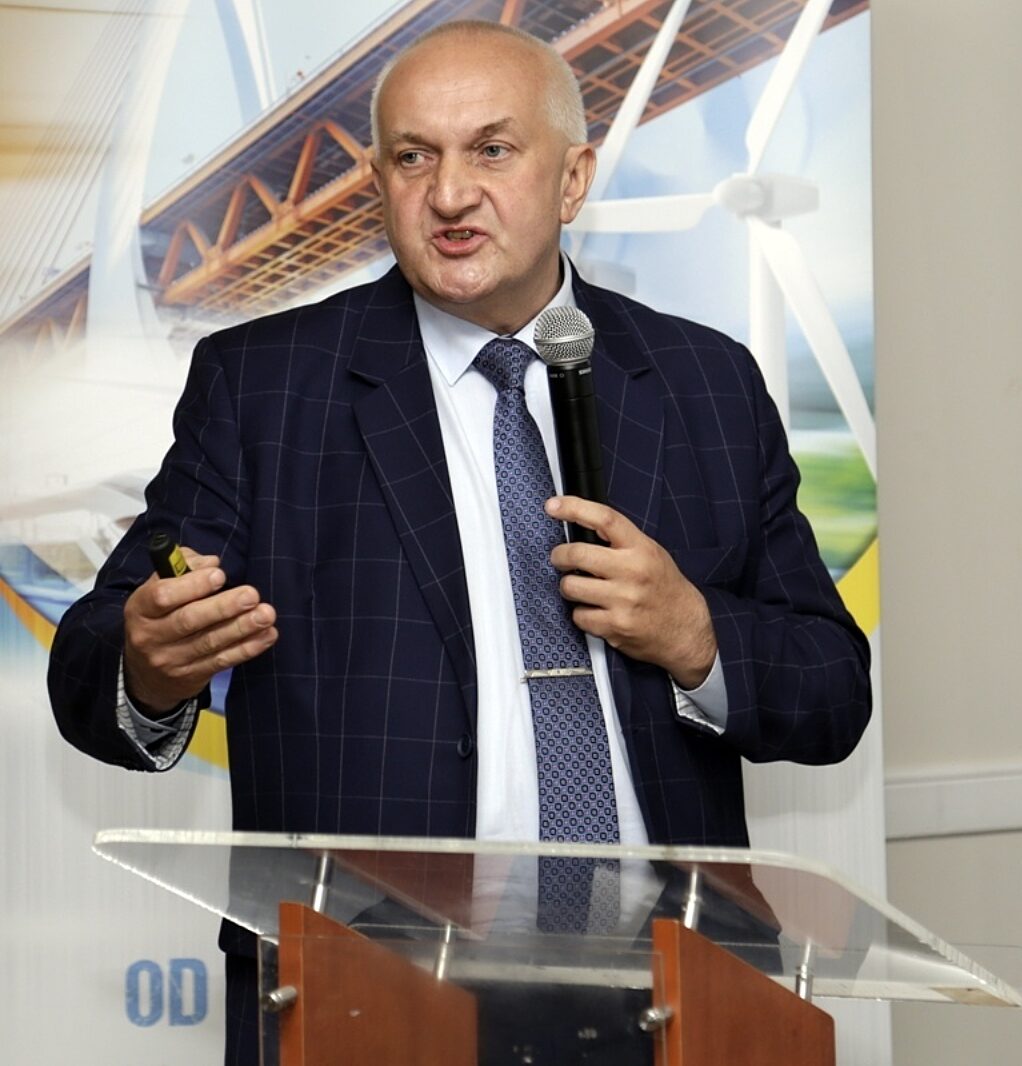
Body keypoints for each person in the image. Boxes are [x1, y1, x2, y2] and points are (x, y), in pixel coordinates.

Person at [47, 18, 870, 1063]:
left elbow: (833, 691)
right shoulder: (262, 387)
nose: (448, 194)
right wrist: (149, 665)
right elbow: (92, 667)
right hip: (368, 997)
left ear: (572, 180)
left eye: (491, 149)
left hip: (676, 1000)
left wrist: (696, 636)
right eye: (412, 157)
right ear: (379, 181)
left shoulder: (705, 383)